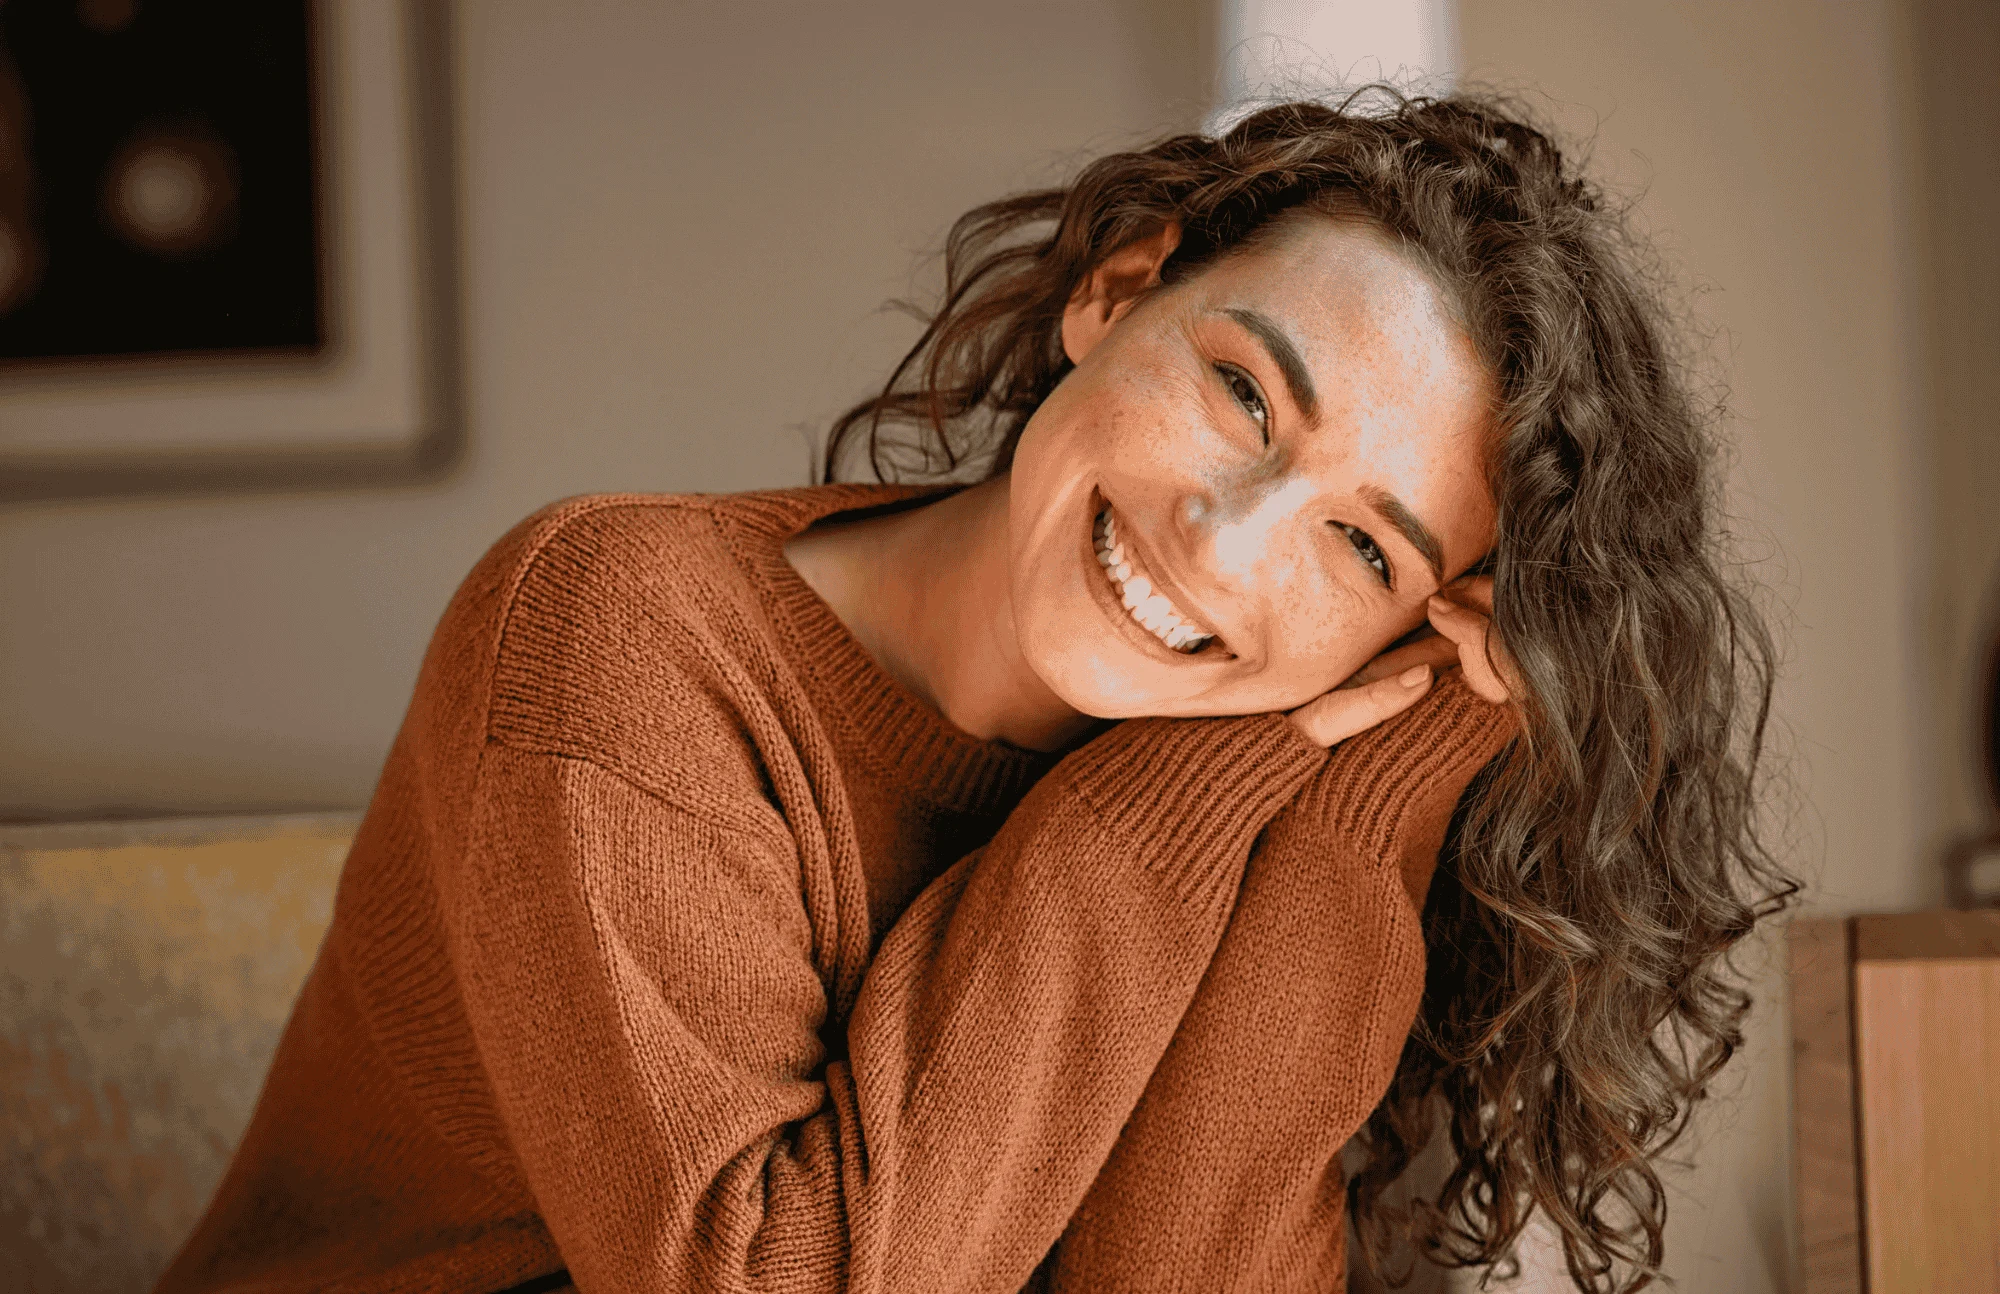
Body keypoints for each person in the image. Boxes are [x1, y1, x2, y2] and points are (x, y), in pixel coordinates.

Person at [153, 87, 1791, 1294]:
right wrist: (1180, 790)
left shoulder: (1274, 789)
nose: (1224, 543)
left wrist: (1369, 798)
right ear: (1115, 293)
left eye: (1363, 548)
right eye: (1242, 393)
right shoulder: (620, 632)